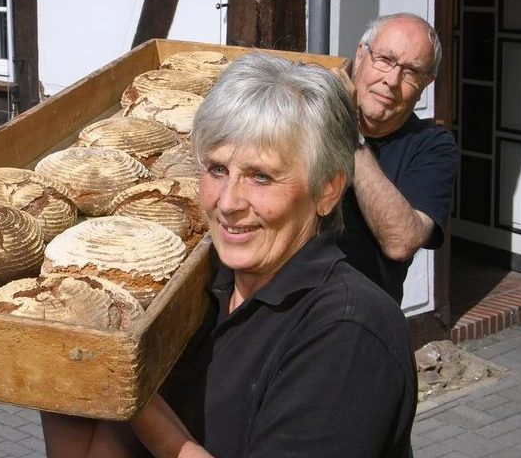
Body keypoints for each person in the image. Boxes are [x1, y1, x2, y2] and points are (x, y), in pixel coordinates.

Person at [42, 53, 417, 458]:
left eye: (261, 177)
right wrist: (62, 356)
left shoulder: (348, 329)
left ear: (327, 190)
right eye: (218, 169)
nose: (229, 202)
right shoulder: (196, 290)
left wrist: (135, 391)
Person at [332, 13, 459, 305]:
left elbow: (401, 242)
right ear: (361, 56)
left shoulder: (432, 146)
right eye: (385, 60)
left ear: (427, 83)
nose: (391, 80)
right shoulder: (310, 117)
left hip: (361, 317)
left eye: (411, 72)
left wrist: (351, 136)